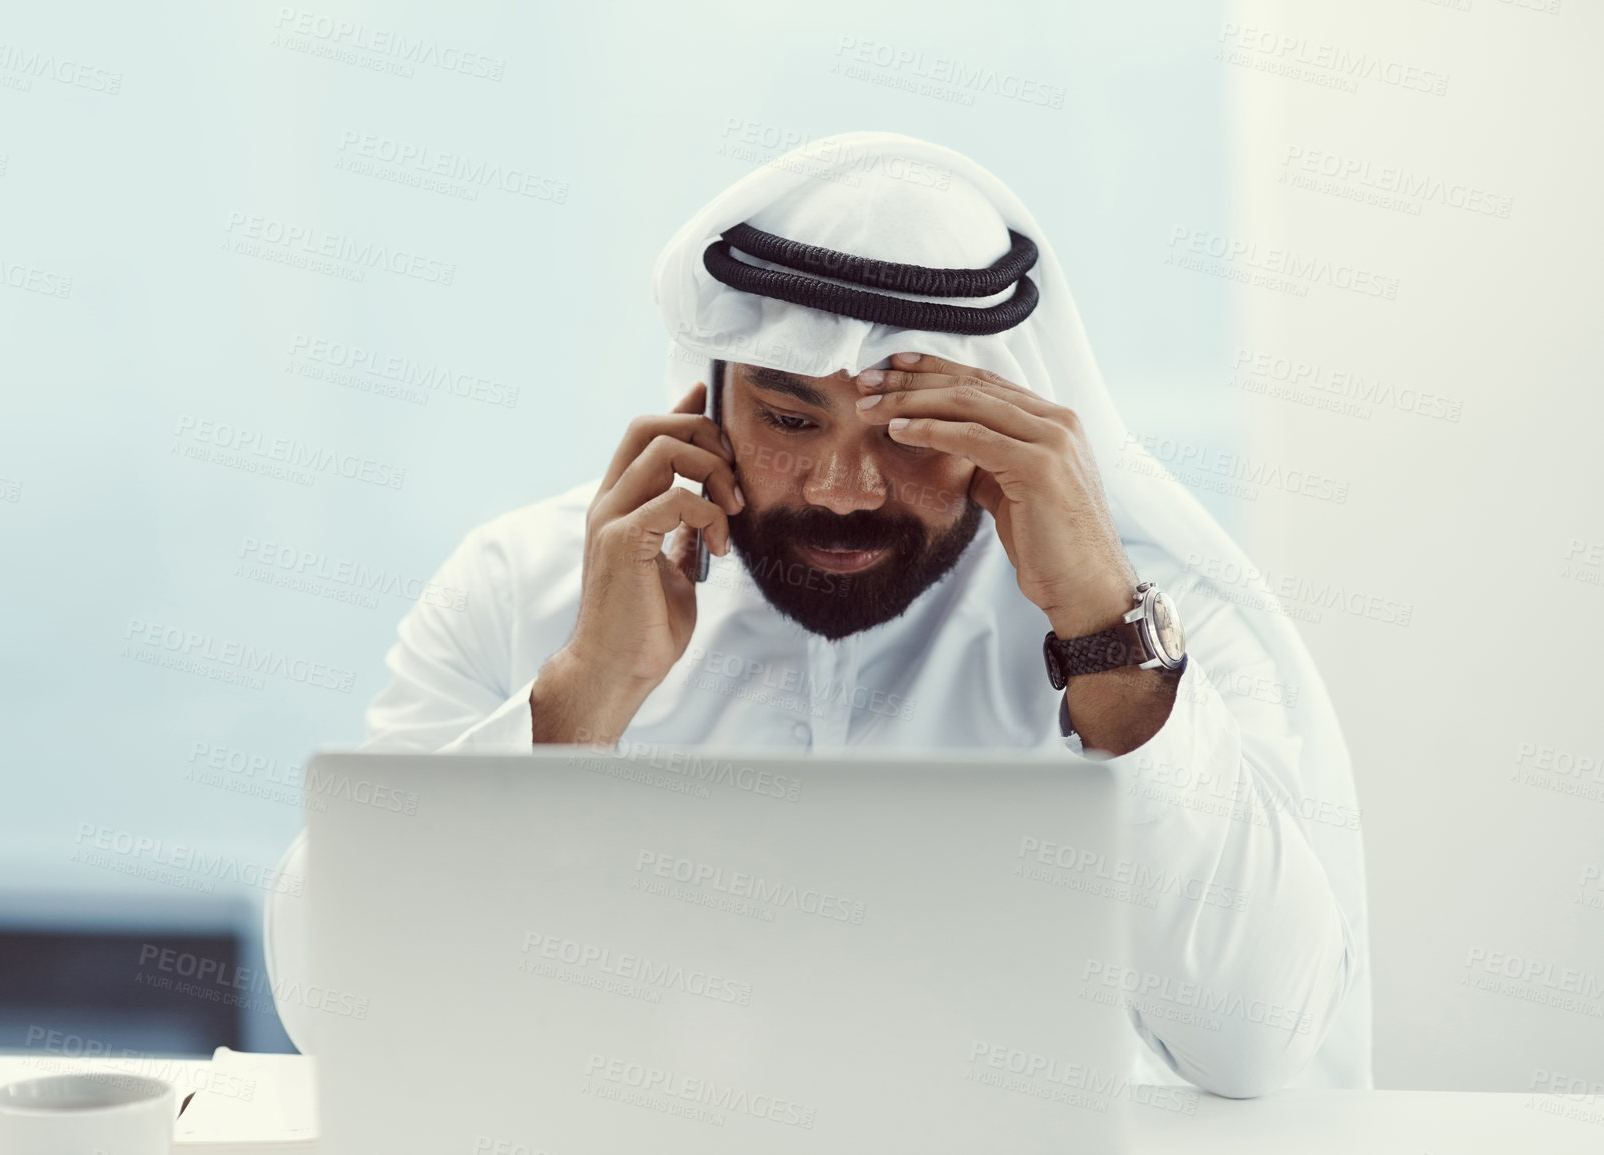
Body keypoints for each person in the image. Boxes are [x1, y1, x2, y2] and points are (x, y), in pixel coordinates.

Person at [264, 131, 1370, 1097]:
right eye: (792, 418)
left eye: (907, 428)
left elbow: (1257, 1047)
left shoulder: (1155, 624)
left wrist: (1103, 633)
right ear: (709, 398)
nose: (846, 487)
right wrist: (585, 693)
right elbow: (337, 1005)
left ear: (1006, 415)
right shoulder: (525, 585)